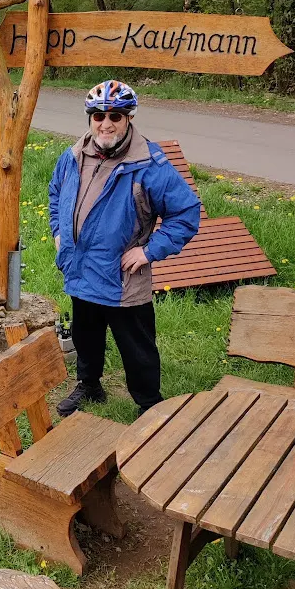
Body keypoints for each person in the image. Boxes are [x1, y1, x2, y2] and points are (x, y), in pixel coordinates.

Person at [49, 80, 201, 417]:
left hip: (122, 276)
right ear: (90, 118)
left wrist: (149, 251)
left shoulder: (150, 164)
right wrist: (60, 233)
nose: (106, 124)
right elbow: (56, 193)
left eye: (115, 116)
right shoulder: (74, 155)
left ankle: (148, 404)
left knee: (136, 346)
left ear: (128, 118)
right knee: (85, 334)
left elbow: (186, 213)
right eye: (98, 116)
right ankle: (89, 384)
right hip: (80, 268)